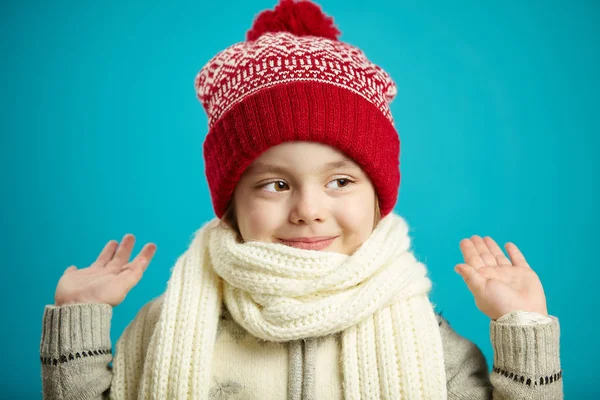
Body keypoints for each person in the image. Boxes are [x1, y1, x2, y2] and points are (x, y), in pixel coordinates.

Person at [39, 0, 562, 399]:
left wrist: (523, 328)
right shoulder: (168, 323)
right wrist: (78, 319)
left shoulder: (421, 332)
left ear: (379, 197)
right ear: (230, 202)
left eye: (340, 182)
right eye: (275, 184)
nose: (309, 210)